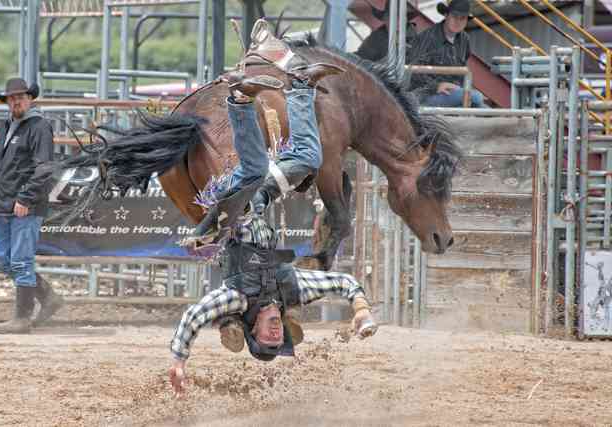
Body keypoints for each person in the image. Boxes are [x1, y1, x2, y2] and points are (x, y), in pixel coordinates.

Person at [168, 69, 377, 397]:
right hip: (260, 201)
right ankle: (302, 86)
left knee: (253, 171)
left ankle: (240, 98)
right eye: (279, 339)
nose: (276, 333)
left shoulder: (236, 297)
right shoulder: (293, 290)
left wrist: (179, 361)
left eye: (268, 339)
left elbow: (195, 315)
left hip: (231, 212)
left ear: (254, 329)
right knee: (309, 158)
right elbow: (344, 283)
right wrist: (361, 311)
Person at [188, 20, 343, 246]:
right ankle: (248, 96)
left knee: (303, 157)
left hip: (230, 194)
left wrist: (201, 233)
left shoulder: (242, 244)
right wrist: (200, 233)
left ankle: (293, 83)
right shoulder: (244, 242)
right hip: (233, 192)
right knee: (260, 167)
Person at [0, 77, 64, 334]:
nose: (15, 101)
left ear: (30, 98)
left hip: (25, 205)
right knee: (3, 259)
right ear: (7, 101)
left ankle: (22, 318)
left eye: (20, 97)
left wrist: (26, 198)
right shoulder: (7, 126)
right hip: (3, 204)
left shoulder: (39, 127)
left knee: (21, 261)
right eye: (11, 98)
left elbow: (44, 167)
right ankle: (48, 297)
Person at [407, 0, 486, 108]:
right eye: (454, 17)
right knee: (477, 98)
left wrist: (463, 88)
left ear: (466, 20)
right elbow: (413, 71)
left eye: (462, 18)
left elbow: (463, 70)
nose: (458, 21)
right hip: (426, 95)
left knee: (483, 108)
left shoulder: (464, 39)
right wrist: (437, 86)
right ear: (446, 15)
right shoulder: (427, 37)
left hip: (453, 93)